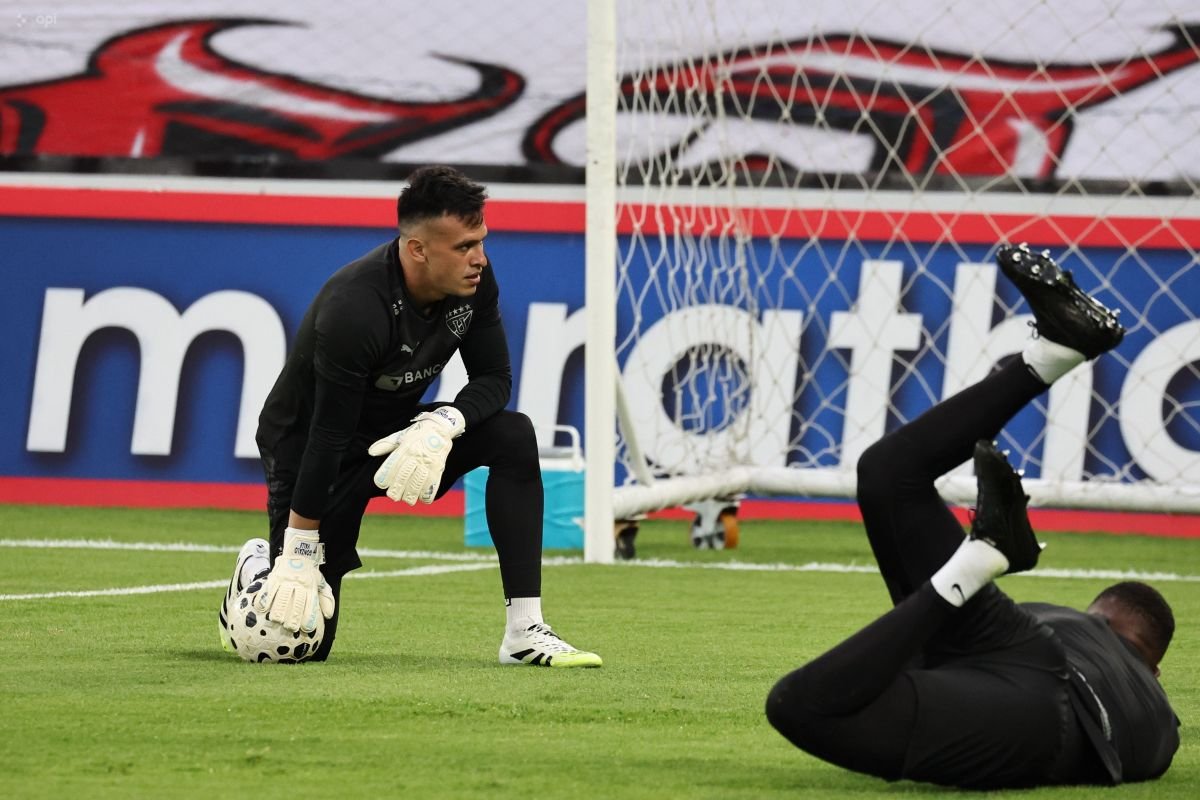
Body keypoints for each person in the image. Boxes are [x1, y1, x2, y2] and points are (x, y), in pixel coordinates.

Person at [765, 244, 1179, 788]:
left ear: (1096, 616)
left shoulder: (1064, 618)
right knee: (797, 705)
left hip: (1013, 649)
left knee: (888, 474)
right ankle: (975, 561)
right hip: (1049, 717)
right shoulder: (1159, 719)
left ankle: (1047, 360)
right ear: (1153, 670)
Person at [218, 165, 601, 668]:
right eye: (464, 246)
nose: (479, 258)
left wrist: (445, 424)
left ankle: (525, 631)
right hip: (311, 445)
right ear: (418, 249)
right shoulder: (354, 307)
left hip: (397, 435)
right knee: (290, 648)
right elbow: (327, 436)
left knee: (513, 434)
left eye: (481, 240)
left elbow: (495, 379)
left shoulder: (474, 285)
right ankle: (258, 569)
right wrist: (299, 551)